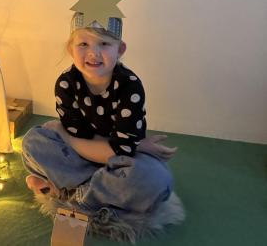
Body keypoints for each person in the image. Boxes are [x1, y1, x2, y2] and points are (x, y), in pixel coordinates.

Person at [22, 13, 177, 216]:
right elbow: (80, 135)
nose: (93, 53)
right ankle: (92, 191)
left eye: (104, 44)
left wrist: (135, 146)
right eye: (83, 44)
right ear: (71, 48)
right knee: (33, 141)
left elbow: (120, 152)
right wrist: (70, 137)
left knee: (156, 179)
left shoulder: (129, 86)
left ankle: (69, 191)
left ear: (120, 49)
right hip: (83, 154)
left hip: (121, 162)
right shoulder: (66, 83)